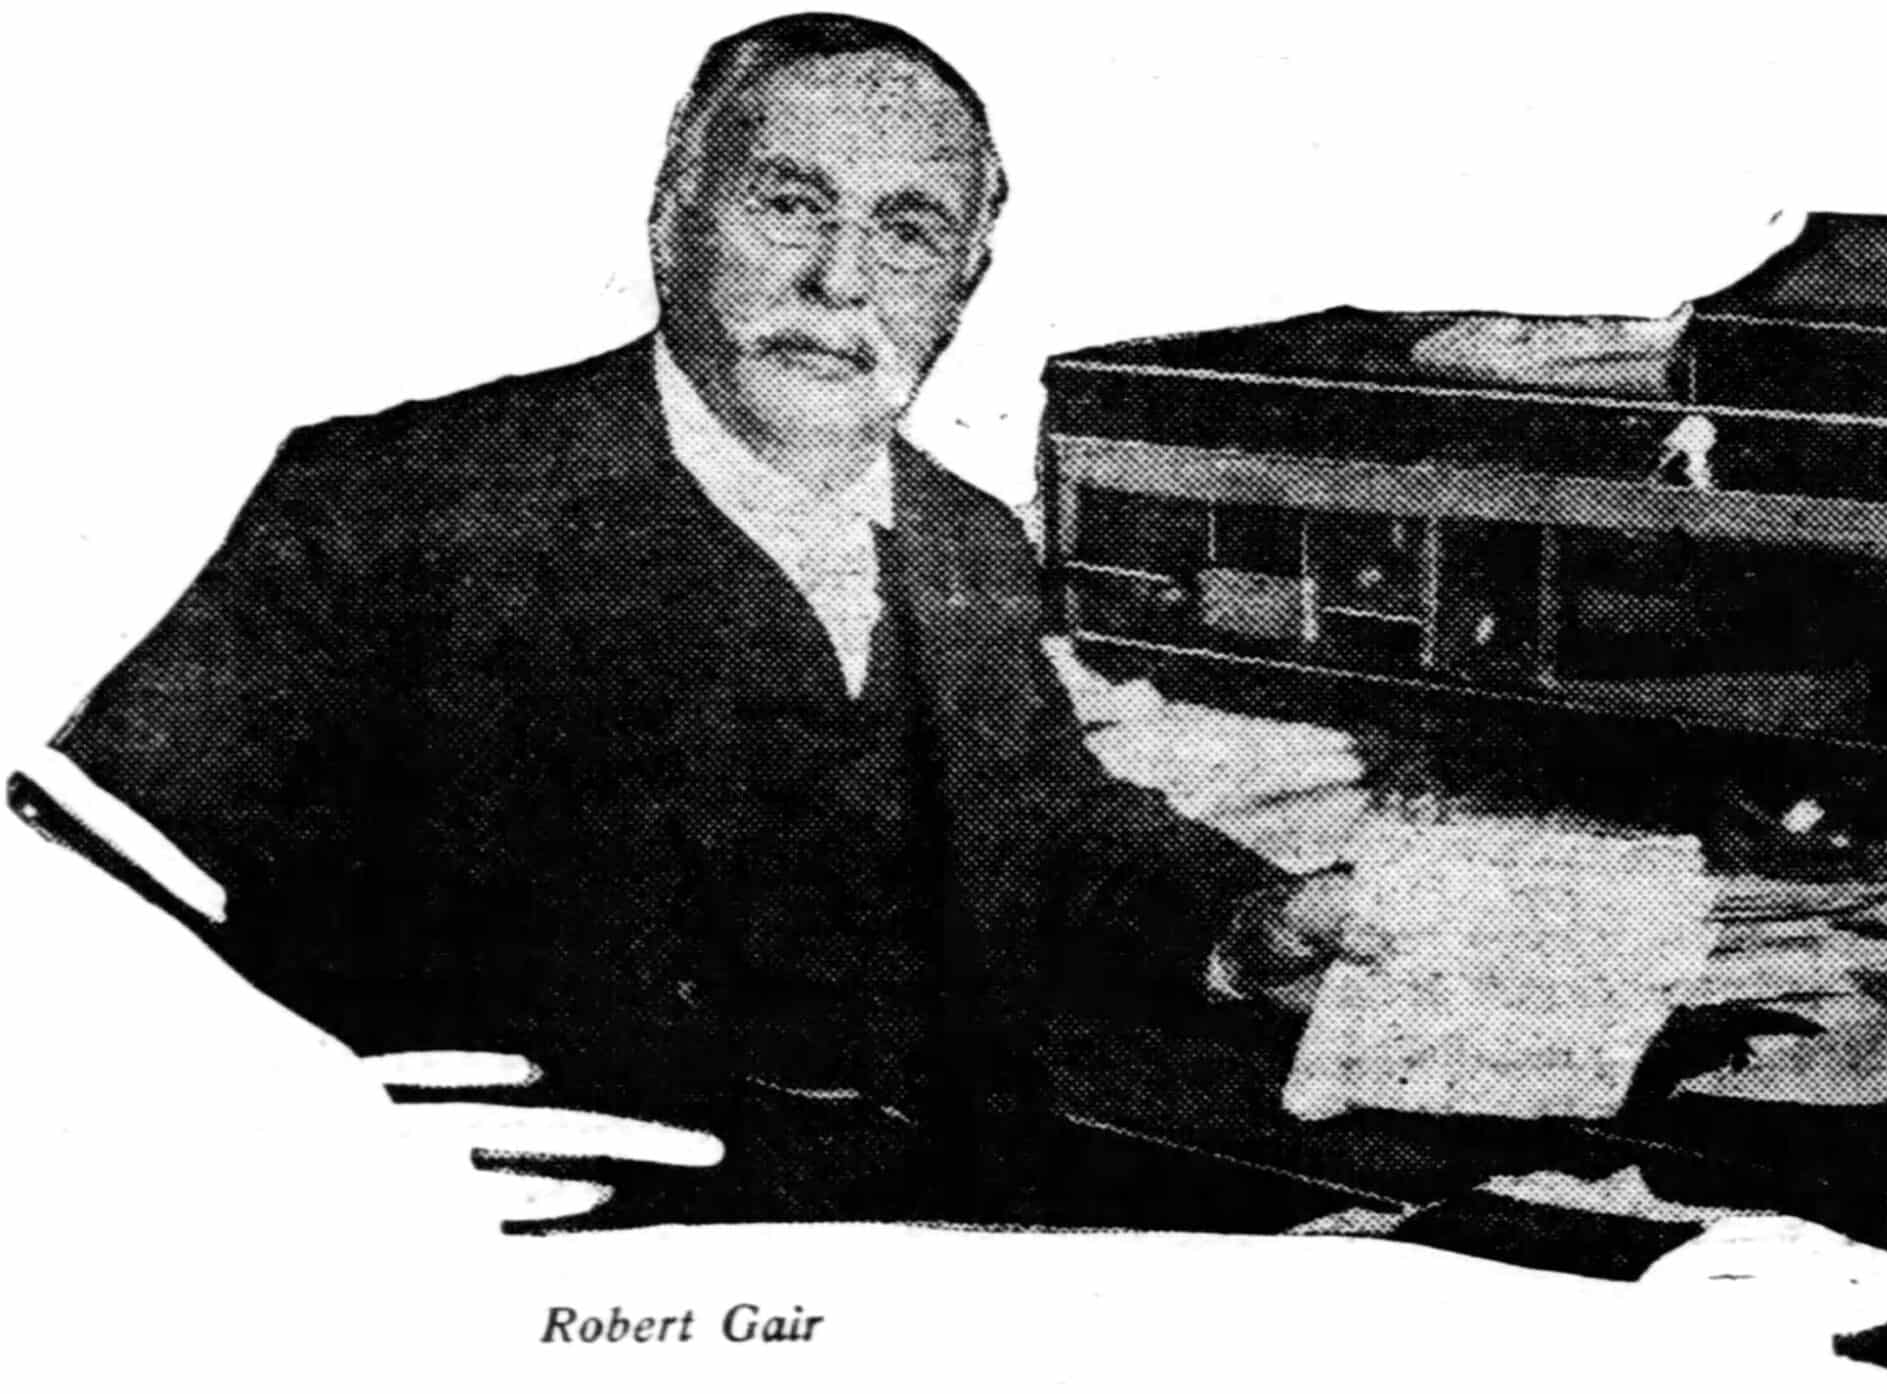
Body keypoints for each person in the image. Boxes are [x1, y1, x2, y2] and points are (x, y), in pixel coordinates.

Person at [47, 12, 1372, 1221]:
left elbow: (1041, 823)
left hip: (940, 1233)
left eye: (909, 231)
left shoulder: (962, 537)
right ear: (674, 218)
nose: (841, 280)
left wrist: (1244, 925)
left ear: (964, 280)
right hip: (556, 1250)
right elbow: (86, 901)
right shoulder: (397, 505)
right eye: (790, 205)